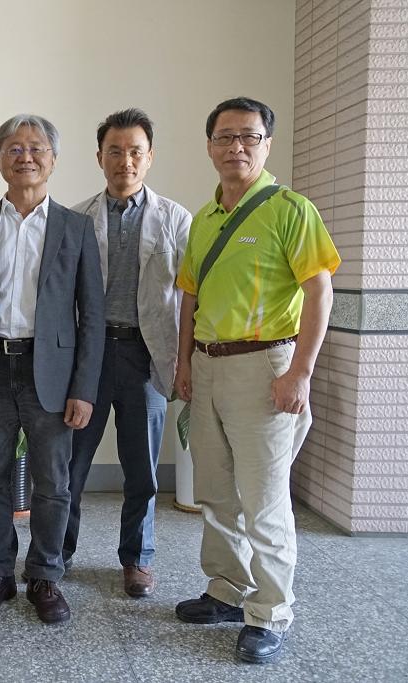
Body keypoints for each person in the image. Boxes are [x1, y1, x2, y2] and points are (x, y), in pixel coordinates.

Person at [173, 97, 339, 663]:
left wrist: (300, 372)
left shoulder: (291, 210)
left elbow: (319, 292)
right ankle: (226, 590)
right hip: (208, 366)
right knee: (217, 492)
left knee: (264, 500)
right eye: (225, 137)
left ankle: (270, 611)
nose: (236, 147)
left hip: (265, 368)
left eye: (249, 136)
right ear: (210, 146)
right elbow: (189, 297)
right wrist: (184, 363)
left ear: (267, 144)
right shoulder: (203, 218)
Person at [0, 114, 105, 624]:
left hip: (51, 374)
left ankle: (45, 575)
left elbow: (92, 316)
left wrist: (83, 388)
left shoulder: (76, 228)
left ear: (53, 160)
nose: (26, 157)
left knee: (53, 483)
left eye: (36, 149)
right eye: (14, 149)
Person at [65, 108, 191, 597]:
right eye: (114, 151)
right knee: (71, 465)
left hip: (146, 356)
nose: (125, 161)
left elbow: (190, 295)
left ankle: (138, 558)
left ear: (150, 156)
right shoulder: (76, 219)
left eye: (135, 151)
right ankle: (57, 553)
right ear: (99, 157)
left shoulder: (175, 219)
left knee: (142, 469)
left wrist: (185, 361)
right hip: (90, 358)